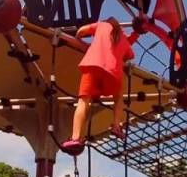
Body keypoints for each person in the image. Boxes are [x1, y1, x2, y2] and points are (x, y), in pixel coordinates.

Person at [61, 15, 147, 155]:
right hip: (113, 73)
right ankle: (116, 125)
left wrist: (82, 40)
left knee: (83, 102)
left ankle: (75, 137)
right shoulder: (123, 38)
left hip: (93, 66)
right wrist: (134, 36)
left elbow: (81, 31)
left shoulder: (101, 25)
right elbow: (130, 55)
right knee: (118, 98)